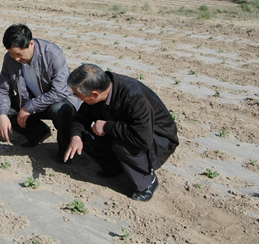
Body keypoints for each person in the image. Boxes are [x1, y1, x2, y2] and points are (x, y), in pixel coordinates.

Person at [64, 64, 179, 201]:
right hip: (129, 131)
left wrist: (107, 126)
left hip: (158, 139)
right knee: (87, 138)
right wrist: (76, 136)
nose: (76, 97)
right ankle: (116, 168)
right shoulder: (100, 92)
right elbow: (81, 118)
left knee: (122, 145)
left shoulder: (134, 97)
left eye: (77, 94)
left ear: (94, 94)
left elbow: (142, 138)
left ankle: (147, 182)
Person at [0, 24, 81, 156]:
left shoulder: (52, 53)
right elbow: (4, 90)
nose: (16, 58)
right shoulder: (10, 60)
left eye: (19, 54)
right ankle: (38, 132)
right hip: (31, 101)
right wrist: (2, 116)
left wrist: (29, 107)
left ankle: (66, 148)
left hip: (59, 101)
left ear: (31, 44)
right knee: (0, 109)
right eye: (11, 54)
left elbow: (60, 92)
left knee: (59, 110)